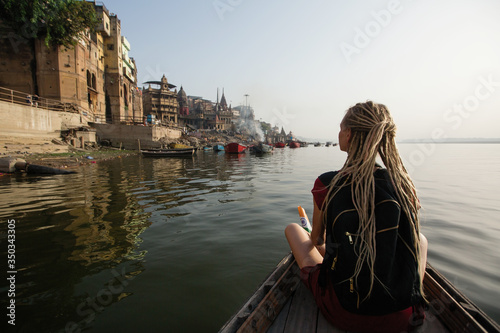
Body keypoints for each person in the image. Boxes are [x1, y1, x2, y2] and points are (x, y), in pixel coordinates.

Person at [285, 101, 428, 333]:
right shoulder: (403, 184)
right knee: (420, 240)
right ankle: (414, 293)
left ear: (349, 134)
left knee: (293, 228)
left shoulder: (327, 184)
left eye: (341, 129)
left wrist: (319, 242)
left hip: (346, 312)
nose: (339, 134)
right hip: (404, 316)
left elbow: (317, 242)